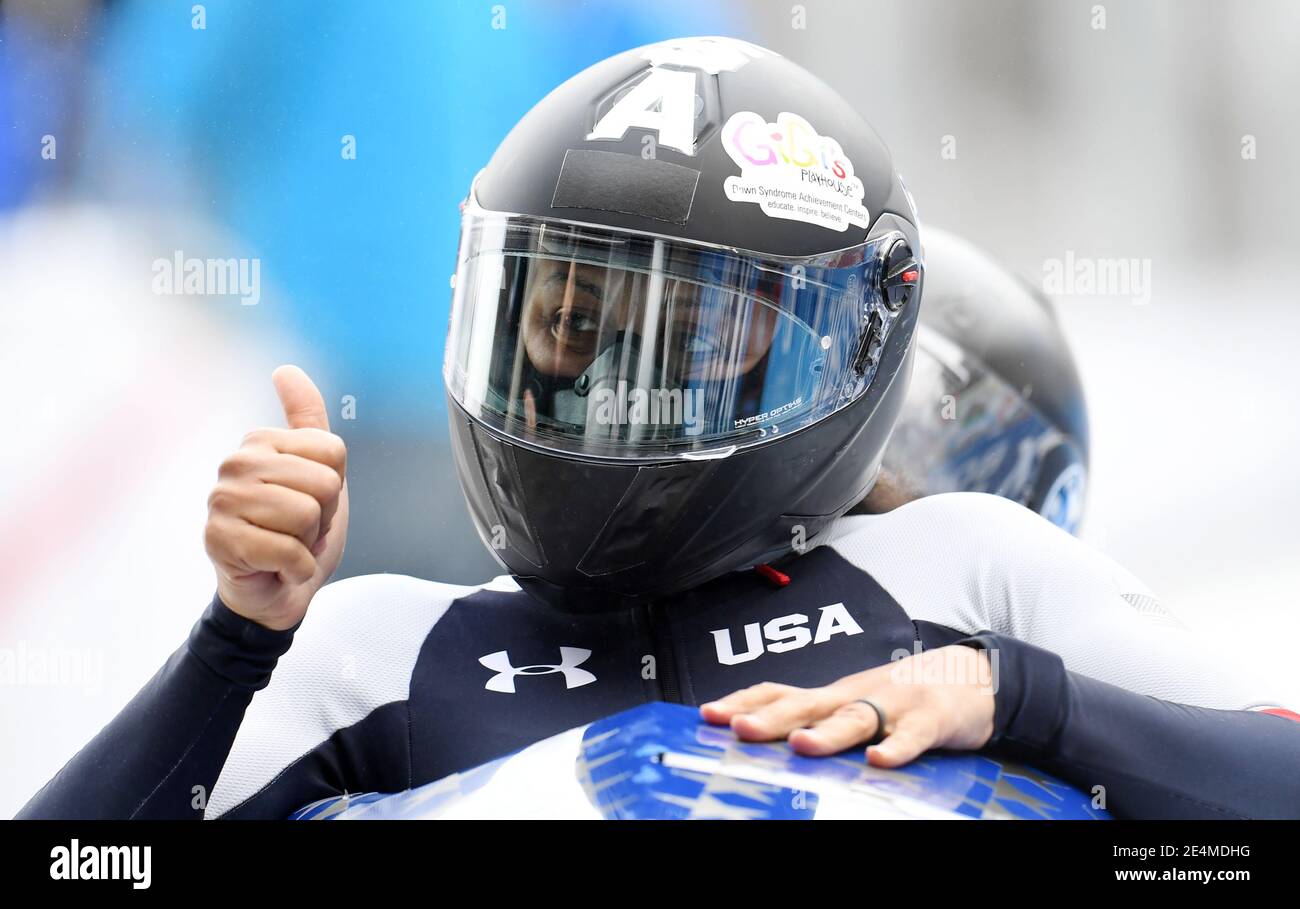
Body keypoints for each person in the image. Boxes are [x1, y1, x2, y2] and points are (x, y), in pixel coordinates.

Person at [18, 36, 1299, 820]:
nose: (604, 387)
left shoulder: (972, 572)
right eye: (564, 320)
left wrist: (1021, 699)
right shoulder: (373, 646)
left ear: (853, 344)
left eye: (692, 334)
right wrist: (234, 643)